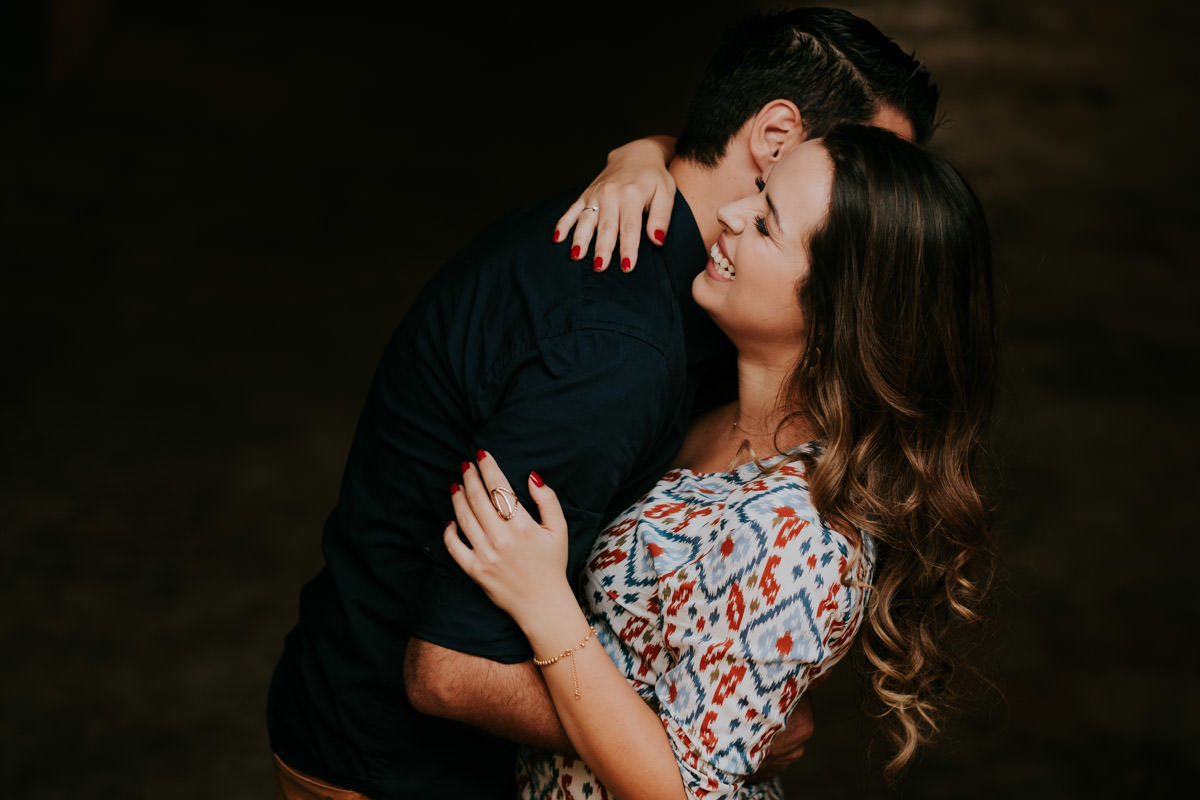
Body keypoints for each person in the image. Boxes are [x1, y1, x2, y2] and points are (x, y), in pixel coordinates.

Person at [267, 9, 940, 799]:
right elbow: (453, 671)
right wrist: (706, 733)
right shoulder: (622, 348)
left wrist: (647, 152)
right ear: (778, 142)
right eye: (868, 166)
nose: (887, 209)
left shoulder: (695, 304)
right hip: (393, 767)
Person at [446, 125, 997, 799]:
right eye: (759, 189)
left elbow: (680, 790)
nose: (732, 214)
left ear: (834, 313)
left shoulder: (803, 536)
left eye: (766, 225)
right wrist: (640, 156)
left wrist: (543, 603)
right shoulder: (712, 400)